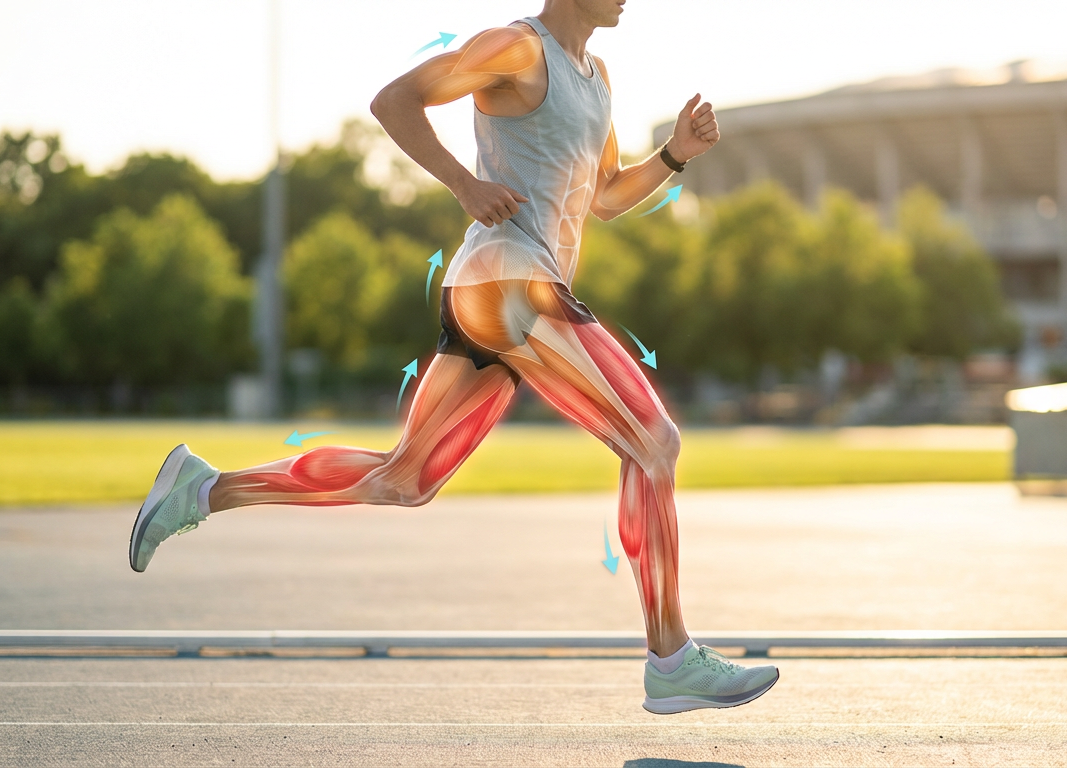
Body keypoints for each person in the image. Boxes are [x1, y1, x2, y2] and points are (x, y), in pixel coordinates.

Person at [128, 0, 778, 715]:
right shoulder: (518, 49)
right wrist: (463, 185)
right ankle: (672, 656)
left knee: (403, 481)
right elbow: (394, 101)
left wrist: (676, 154)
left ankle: (203, 488)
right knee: (654, 442)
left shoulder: (596, 76)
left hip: (499, 293)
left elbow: (608, 197)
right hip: (509, 282)